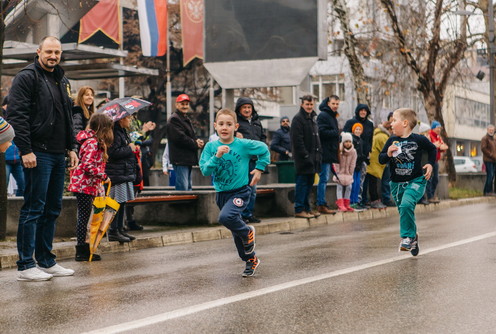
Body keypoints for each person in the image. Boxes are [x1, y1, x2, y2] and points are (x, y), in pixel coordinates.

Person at [7, 36, 78, 281]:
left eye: (57, 52)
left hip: (59, 153)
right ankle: (26, 265)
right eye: (49, 51)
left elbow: (68, 116)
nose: (53, 56)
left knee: (53, 209)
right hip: (38, 153)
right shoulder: (27, 77)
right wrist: (25, 150)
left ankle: (46, 261)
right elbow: (17, 116)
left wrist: (72, 147)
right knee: (33, 208)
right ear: (38, 52)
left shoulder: (61, 78)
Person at [199, 108, 270, 277]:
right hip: (221, 194)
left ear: (236, 126)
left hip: (240, 191)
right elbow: (204, 171)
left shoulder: (242, 145)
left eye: (229, 124)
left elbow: (264, 150)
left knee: (226, 218)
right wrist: (216, 156)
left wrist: (259, 169)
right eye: (221, 124)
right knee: (235, 231)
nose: (225, 127)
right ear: (215, 126)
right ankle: (250, 259)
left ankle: (248, 232)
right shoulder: (211, 147)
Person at [379, 108, 436, 253]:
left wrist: (430, 163)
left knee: (406, 205)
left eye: (394, 121)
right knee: (404, 210)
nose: (391, 124)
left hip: (416, 181)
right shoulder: (392, 140)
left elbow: (432, 149)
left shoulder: (419, 139)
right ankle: (413, 236)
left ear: (404, 123)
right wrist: (388, 153)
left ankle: (407, 238)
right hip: (396, 184)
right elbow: (381, 159)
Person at [68, 113, 114, 261]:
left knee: (86, 217)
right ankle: (81, 250)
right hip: (84, 185)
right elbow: (87, 165)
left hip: (88, 185)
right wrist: (103, 176)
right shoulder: (92, 142)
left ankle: (85, 248)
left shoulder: (95, 142)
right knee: (84, 217)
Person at [105, 115, 138, 243]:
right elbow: (113, 152)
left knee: (122, 202)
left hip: (123, 172)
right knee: (116, 203)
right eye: (128, 118)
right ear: (121, 119)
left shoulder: (122, 131)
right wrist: (129, 148)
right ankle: (113, 231)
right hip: (117, 173)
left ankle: (120, 229)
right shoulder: (114, 132)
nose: (130, 120)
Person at [235, 97, 267, 223]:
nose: (247, 110)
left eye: (249, 107)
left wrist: (262, 148)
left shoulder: (257, 122)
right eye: (244, 107)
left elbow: (263, 137)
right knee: (243, 189)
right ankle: (241, 215)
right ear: (239, 109)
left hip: (255, 160)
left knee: (253, 190)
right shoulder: (236, 122)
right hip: (243, 161)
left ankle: (248, 214)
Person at [291, 95, 322, 218]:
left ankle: (307, 208)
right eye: (307, 104)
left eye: (311, 104)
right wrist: (305, 156)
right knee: (302, 184)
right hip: (303, 160)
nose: (309, 106)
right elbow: (297, 141)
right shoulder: (298, 119)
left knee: (309, 185)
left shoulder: (313, 118)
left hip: (313, 159)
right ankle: (299, 209)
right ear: (301, 104)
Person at [166, 94, 204, 190]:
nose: (185, 106)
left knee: (187, 187)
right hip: (180, 159)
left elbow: (186, 137)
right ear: (176, 105)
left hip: (185, 159)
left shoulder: (184, 118)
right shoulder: (174, 119)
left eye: (186, 104)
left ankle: (186, 205)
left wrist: (196, 141)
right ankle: (182, 205)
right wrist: (195, 143)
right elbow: (180, 138)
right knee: (183, 188)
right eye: (182, 104)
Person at [343, 104, 374, 206]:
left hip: (364, 157)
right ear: (357, 111)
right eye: (361, 110)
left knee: (362, 180)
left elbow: (370, 140)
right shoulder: (351, 122)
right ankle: (350, 201)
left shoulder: (370, 124)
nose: (363, 112)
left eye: (365, 110)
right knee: (351, 180)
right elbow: (344, 138)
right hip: (351, 157)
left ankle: (361, 200)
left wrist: (369, 151)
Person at [316, 95, 340, 214]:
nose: (335, 106)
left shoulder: (331, 116)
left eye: (337, 104)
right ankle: (321, 204)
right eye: (333, 103)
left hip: (329, 151)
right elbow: (321, 131)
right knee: (323, 179)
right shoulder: (324, 115)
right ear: (328, 103)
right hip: (324, 152)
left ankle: (322, 203)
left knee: (325, 178)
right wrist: (335, 133)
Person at [366, 118, 391, 209]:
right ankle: (374, 200)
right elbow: (386, 151)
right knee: (373, 183)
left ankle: (374, 200)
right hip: (375, 163)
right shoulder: (383, 137)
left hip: (374, 162)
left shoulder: (379, 134)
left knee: (372, 182)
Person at [3, 96, 24, 196]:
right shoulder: (3, 120)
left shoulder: (19, 118)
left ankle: (18, 207)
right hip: (5, 159)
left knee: (23, 185)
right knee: (3, 186)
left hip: (17, 159)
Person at [333, 132, 357, 212]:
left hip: (348, 173)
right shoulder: (339, 150)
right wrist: (337, 172)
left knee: (349, 187)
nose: (348, 143)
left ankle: (347, 204)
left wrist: (351, 172)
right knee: (339, 187)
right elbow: (336, 162)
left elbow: (353, 162)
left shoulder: (353, 151)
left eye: (349, 141)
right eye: (346, 141)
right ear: (343, 142)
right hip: (340, 173)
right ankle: (340, 204)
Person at [427, 120, 448, 203]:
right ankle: (430, 196)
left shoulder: (438, 137)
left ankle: (432, 195)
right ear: (433, 128)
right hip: (429, 160)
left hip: (436, 160)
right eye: (437, 128)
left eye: (440, 128)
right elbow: (430, 146)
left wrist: (438, 146)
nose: (439, 130)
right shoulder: (429, 135)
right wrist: (436, 146)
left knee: (435, 179)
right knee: (430, 178)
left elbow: (444, 147)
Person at [72, 86, 95, 152]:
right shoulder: (77, 111)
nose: (90, 97)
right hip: (80, 150)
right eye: (87, 95)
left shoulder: (90, 113)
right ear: (81, 97)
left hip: (87, 149)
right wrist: (75, 150)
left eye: (92, 95)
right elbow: (76, 133)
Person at [350, 122, 365, 210]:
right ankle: (351, 201)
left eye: (359, 129)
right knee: (353, 183)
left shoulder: (361, 140)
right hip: (353, 164)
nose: (358, 131)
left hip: (359, 165)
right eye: (356, 129)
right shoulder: (352, 139)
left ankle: (356, 201)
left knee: (357, 184)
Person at [481, 124, 496, 196]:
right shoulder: (485, 138)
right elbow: (483, 149)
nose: (491, 131)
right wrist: (491, 155)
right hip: (488, 160)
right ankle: (487, 191)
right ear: (487, 130)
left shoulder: (493, 139)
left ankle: (487, 191)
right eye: (490, 130)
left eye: (493, 130)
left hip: (494, 160)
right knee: (490, 175)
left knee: (492, 176)